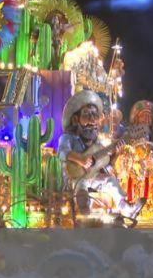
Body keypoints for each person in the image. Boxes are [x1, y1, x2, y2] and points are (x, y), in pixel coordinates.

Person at [57, 90, 145, 218]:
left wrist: (116, 152)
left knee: (111, 181)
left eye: (94, 114)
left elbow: (106, 161)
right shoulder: (68, 137)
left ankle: (126, 208)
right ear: (76, 119)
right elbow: (62, 152)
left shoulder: (97, 141)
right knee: (80, 186)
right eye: (87, 114)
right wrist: (80, 159)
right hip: (74, 177)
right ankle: (82, 209)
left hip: (93, 177)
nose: (92, 119)